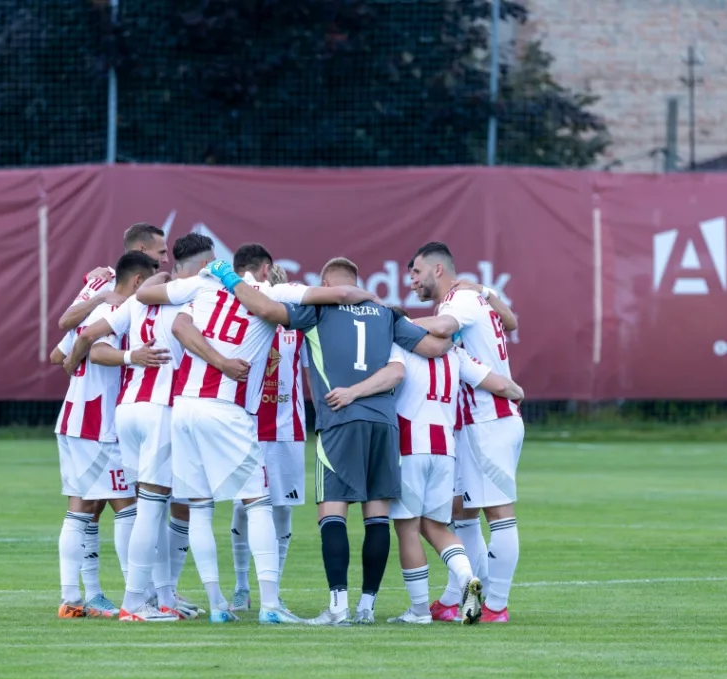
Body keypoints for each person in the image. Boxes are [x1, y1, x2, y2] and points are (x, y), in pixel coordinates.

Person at [209, 256, 450, 626]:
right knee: (377, 516)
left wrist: (226, 276)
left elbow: (264, 308)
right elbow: (435, 347)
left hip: (339, 420)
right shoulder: (386, 314)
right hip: (384, 423)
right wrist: (464, 323)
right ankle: (367, 608)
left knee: (332, 513)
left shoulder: (318, 312)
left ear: (325, 286)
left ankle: (338, 607)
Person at [172, 246, 376, 623]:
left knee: (199, 508)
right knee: (258, 505)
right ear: (266, 269)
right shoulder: (270, 293)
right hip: (227, 410)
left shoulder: (204, 289)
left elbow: (179, 326)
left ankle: (217, 605)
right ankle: (268, 605)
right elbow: (343, 294)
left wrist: (215, 359)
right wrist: (373, 302)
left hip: (185, 407)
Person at [94, 234, 246, 622]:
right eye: (211, 263)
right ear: (198, 267)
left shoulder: (145, 294)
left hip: (128, 409)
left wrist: (129, 354)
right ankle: (134, 603)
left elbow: (93, 339)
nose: (216, 270)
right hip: (161, 409)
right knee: (151, 508)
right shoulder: (197, 291)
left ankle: (161, 598)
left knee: (148, 508)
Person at [338, 307, 524, 624]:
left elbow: (390, 376)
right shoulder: (457, 356)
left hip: (410, 445)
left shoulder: (398, 348)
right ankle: (467, 578)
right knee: (436, 525)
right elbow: (502, 386)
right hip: (447, 449)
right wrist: (518, 392)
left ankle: (419, 610)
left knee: (407, 528)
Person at [408, 241, 524, 624]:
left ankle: (495, 606)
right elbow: (511, 322)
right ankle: (458, 595)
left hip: (488, 419)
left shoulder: (458, 302)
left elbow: (443, 328)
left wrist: (391, 323)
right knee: (460, 511)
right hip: (478, 422)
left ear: (438, 270)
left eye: (416, 273)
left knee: (499, 513)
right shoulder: (475, 298)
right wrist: (488, 291)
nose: (412, 282)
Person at [50, 251, 165, 619]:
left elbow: (59, 352)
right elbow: (93, 347)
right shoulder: (118, 309)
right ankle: (139, 598)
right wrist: (133, 357)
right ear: (136, 281)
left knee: (81, 508)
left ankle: (76, 598)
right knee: (127, 507)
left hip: (75, 419)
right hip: (96, 425)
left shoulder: (102, 304)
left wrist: (72, 359)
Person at [229, 264, 308, 613]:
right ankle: (242, 586)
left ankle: (271, 591)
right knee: (242, 505)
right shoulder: (243, 322)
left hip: (288, 427)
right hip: (247, 425)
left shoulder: (298, 327)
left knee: (282, 508)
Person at [57, 223, 170, 332]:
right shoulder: (105, 279)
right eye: (161, 252)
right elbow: (64, 322)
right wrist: (101, 298)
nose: (166, 259)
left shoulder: (160, 289)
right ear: (141, 250)